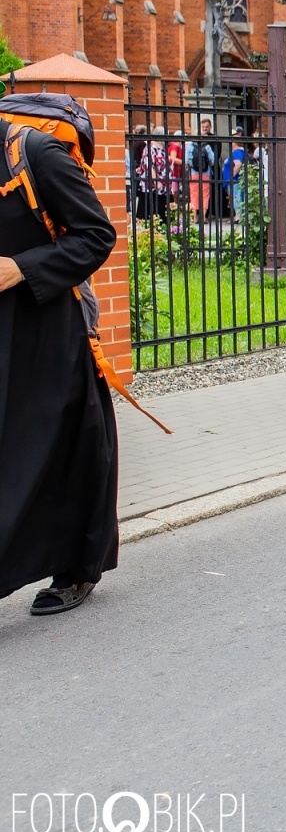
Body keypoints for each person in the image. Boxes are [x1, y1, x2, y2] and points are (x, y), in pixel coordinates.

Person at [1, 112, 119, 615]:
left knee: (58, 447)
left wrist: (21, 268)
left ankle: (76, 567)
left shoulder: (35, 153)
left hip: (43, 329)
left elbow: (96, 236)